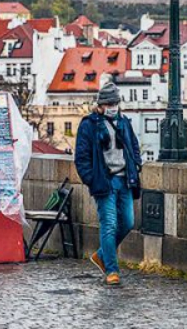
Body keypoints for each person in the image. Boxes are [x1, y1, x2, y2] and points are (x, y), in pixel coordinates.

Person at [73, 81, 142, 286]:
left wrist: (136, 165)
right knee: (109, 224)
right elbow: (82, 158)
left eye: (116, 103)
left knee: (128, 222)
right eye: (110, 103)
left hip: (125, 179)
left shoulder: (124, 122)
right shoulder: (89, 125)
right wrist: (92, 179)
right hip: (104, 182)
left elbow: (134, 147)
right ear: (101, 105)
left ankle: (102, 255)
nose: (113, 107)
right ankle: (112, 270)